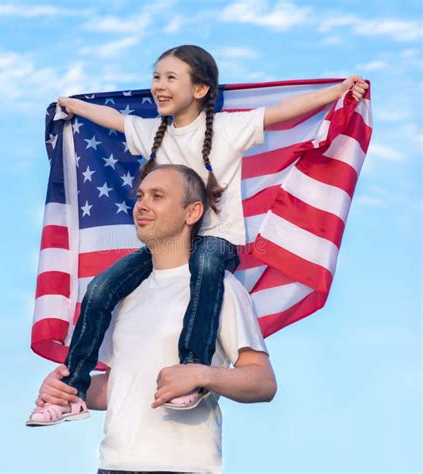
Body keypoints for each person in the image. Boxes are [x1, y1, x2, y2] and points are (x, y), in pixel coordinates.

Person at [31, 44, 368, 414]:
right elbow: (113, 119)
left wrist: (337, 92)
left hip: (216, 239)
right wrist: (73, 105)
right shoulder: (153, 132)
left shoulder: (228, 128)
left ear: (201, 89)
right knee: (101, 288)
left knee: (205, 267)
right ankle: (73, 389)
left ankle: (191, 366)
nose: (159, 85)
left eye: (171, 78)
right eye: (156, 76)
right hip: (170, 245)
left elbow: (280, 113)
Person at [28, 165, 278, 474]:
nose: (142, 205)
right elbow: (119, 385)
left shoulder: (221, 287)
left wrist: (202, 375)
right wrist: (63, 389)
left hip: (184, 468)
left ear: (192, 212)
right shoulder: (124, 294)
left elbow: (263, 382)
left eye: (157, 196)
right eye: (140, 196)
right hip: (113, 466)